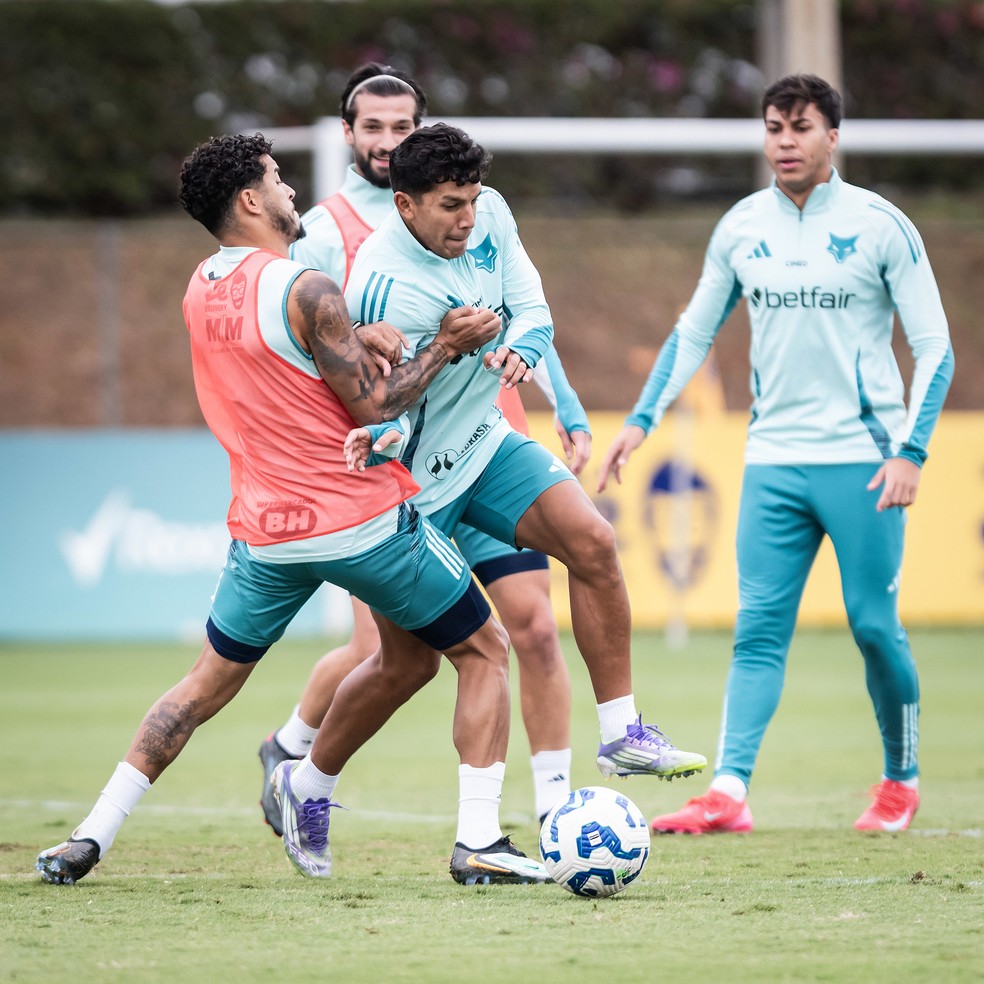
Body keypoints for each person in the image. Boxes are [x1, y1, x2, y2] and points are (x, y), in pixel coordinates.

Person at [35, 132, 550, 888]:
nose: (291, 192)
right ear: (250, 199)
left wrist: (355, 337)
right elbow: (375, 405)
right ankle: (477, 839)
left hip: (263, 533)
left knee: (206, 686)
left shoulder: (200, 286)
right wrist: (442, 345)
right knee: (485, 651)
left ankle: (91, 835)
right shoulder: (308, 289)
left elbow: (280, 369)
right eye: (277, 180)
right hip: (361, 524)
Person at [598, 74, 954, 835]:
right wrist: (638, 421)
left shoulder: (881, 225)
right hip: (773, 463)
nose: (784, 142)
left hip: (863, 462)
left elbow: (935, 348)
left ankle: (901, 780)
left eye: (800, 127)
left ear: (832, 136)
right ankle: (728, 792)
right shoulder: (740, 227)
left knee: (872, 627)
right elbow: (692, 333)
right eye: (772, 127)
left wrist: (910, 450)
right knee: (758, 630)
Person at [258, 64, 592, 837]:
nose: (385, 140)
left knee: (533, 628)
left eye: (399, 126)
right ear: (347, 136)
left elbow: (522, 309)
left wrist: (566, 409)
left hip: (487, 441)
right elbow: (303, 345)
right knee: (393, 655)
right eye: (370, 127)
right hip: (399, 462)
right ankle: (297, 753)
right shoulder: (322, 234)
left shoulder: (471, 204)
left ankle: (555, 817)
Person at [342, 122, 708, 807]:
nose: (468, 218)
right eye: (451, 205)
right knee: (404, 666)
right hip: (409, 488)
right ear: (406, 206)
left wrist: (525, 352)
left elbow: (534, 309)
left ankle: (621, 733)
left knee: (593, 543)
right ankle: (306, 775)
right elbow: (372, 408)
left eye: (472, 199)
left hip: (484, 449)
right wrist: (446, 349)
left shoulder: (493, 215)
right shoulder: (378, 284)